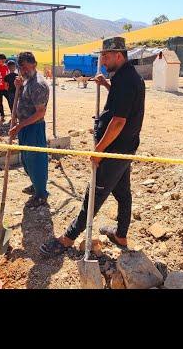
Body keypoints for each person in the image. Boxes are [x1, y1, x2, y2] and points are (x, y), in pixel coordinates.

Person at [39, 37, 145, 256]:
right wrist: (107, 85)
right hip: (126, 148)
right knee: (123, 192)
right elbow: (123, 103)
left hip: (114, 150)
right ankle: (121, 234)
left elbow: (118, 122)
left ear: (119, 55)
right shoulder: (126, 77)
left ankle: (67, 238)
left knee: (93, 195)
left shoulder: (125, 80)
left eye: (105, 56)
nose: (103, 61)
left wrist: (99, 151)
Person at [8, 51, 50, 208]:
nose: (23, 71)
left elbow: (40, 112)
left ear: (34, 64)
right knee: (27, 160)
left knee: (36, 161)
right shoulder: (27, 81)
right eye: (20, 68)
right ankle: (36, 185)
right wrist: (18, 86)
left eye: (25, 67)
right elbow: (23, 99)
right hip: (25, 127)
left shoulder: (38, 84)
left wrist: (19, 126)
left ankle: (41, 194)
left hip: (34, 128)